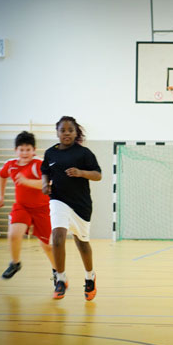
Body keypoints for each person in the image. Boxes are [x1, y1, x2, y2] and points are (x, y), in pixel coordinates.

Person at [41, 116, 101, 301]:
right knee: (57, 237)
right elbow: (45, 171)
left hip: (80, 205)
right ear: (57, 132)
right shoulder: (50, 153)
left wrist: (80, 172)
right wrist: (45, 184)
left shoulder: (84, 153)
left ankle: (90, 277)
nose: (66, 133)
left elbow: (98, 175)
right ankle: (60, 278)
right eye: (63, 130)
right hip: (58, 200)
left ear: (76, 133)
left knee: (82, 243)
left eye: (70, 130)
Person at [0, 131, 57, 282]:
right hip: (21, 207)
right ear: (15, 150)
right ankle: (15, 263)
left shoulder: (39, 164)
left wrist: (26, 181)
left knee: (47, 246)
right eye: (21, 149)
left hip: (42, 209)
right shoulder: (10, 165)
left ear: (34, 150)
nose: (24, 153)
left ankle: (57, 271)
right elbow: (2, 175)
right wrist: (1, 196)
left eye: (28, 149)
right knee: (13, 235)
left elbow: (48, 184)